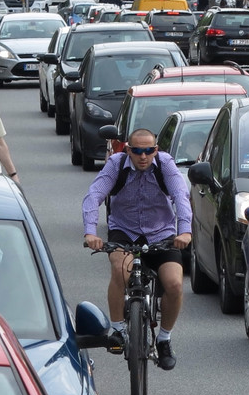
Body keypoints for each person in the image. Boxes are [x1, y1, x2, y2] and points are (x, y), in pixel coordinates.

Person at [82, 129, 191, 370]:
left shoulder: (165, 166)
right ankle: (119, 330)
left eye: (149, 151)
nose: (143, 157)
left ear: (156, 150)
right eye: (138, 151)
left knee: (174, 283)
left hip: (161, 233)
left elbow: (181, 197)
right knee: (121, 269)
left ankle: (163, 340)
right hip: (124, 230)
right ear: (128, 150)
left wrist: (185, 231)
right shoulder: (116, 164)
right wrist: (91, 232)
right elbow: (94, 196)